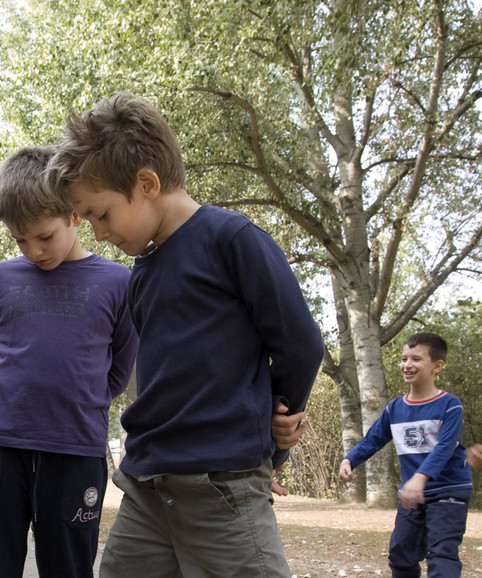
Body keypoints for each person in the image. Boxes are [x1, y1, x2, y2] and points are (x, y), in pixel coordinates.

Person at [46, 92, 324, 577]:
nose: (98, 233)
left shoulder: (231, 240)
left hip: (223, 486)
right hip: (148, 488)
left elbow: (300, 344)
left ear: (147, 183)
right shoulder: (142, 274)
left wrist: (278, 422)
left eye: (102, 214)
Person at [0, 146, 139, 578]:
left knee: (69, 569)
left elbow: (117, 372)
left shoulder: (120, 283)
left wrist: (73, 402)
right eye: (20, 240)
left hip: (74, 449)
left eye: (44, 236)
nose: (33, 251)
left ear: (75, 215)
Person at [339, 332, 472, 577]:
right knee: (401, 554)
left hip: (448, 489)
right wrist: (350, 459)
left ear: (437, 366)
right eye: (404, 359)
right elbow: (373, 439)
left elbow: (445, 447)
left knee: (441, 555)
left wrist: (420, 478)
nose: (407, 365)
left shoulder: (450, 405)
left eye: (416, 359)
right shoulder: (395, 408)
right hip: (412, 495)